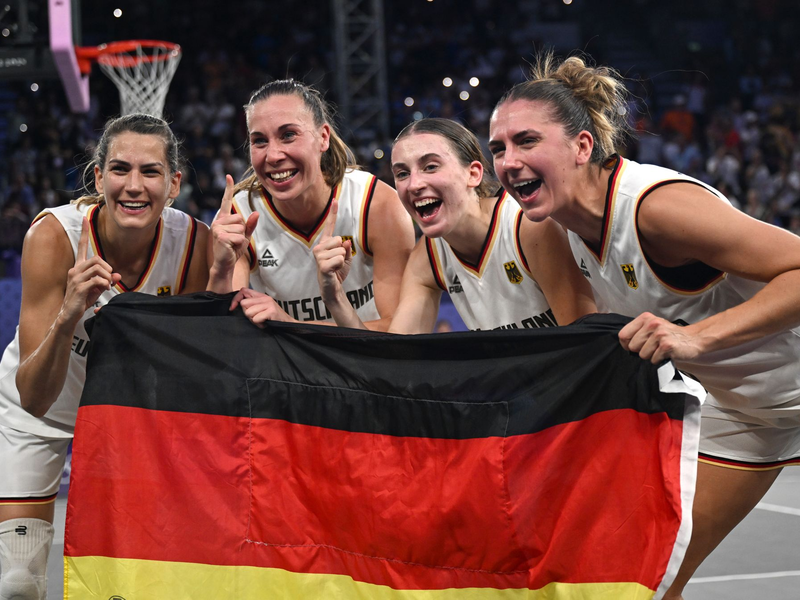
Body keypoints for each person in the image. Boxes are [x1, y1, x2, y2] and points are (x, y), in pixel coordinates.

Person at [488, 52, 800, 599]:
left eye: (526, 141)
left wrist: (697, 336)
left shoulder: (656, 209)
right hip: (744, 415)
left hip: (781, 380)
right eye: (498, 148)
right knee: (646, 578)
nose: (508, 161)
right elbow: (592, 346)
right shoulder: (545, 229)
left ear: (583, 147)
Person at [0, 113, 209, 600]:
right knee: (17, 582)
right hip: (40, 412)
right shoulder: (53, 237)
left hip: (125, 415)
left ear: (174, 183)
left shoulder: (196, 245)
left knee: (129, 580)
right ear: (98, 177)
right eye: (120, 169)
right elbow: (32, 397)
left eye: (151, 172)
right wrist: (70, 313)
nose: (133, 186)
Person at [315, 117, 595, 333]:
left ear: (473, 173)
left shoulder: (530, 228)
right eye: (402, 173)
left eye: (431, 167)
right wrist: (335, 298)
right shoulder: (428, 257)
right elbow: (396, 358)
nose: (414, 184)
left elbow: (582, 344)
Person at [208, 79, 414, 330]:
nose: (273, 156)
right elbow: (225, 332)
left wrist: (292, 325)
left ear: (323, 137)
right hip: (283, 367)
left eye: (288, 135)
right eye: (259, 140)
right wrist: (220, 269)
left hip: (366, 362)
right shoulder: (239, 215)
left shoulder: (376, 204)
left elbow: (398, 332)